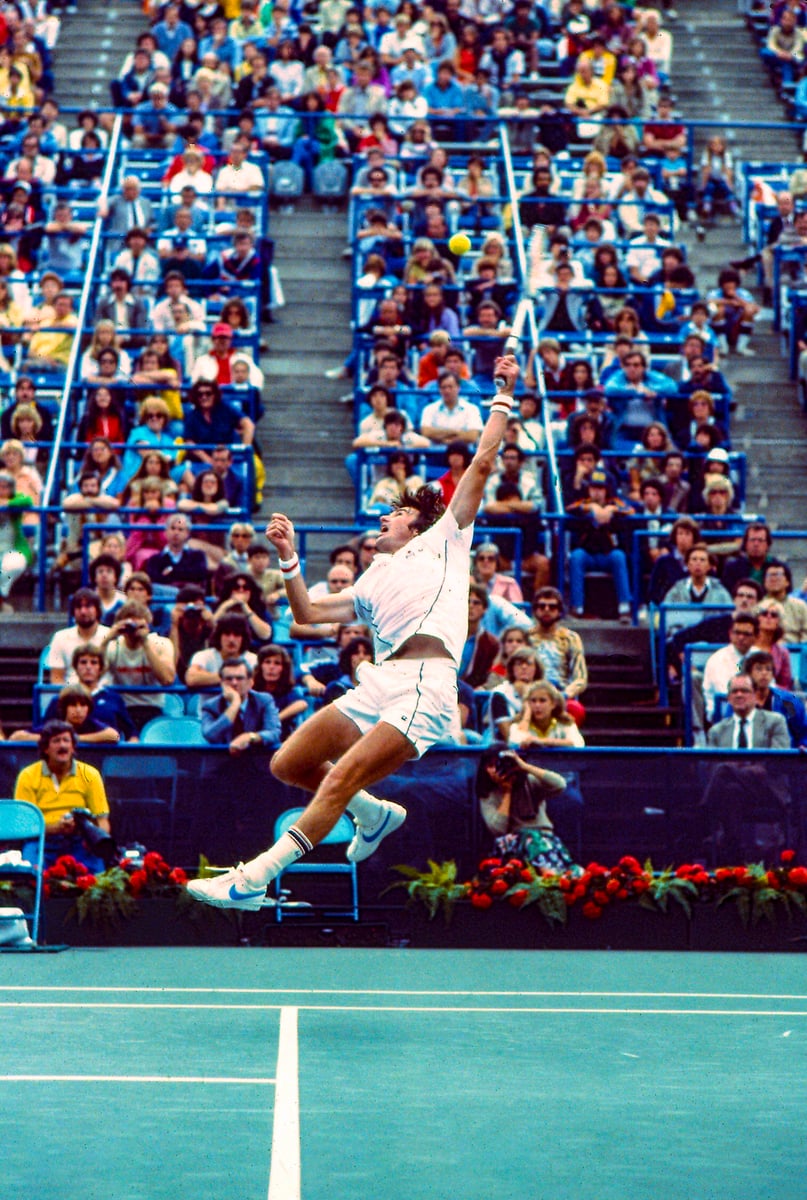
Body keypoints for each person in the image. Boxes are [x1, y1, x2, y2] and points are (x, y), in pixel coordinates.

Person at [187, 353, 524, 910]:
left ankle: (252, 879)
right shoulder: (371, 580)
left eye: (391, 515)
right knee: (289, 763)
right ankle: (373, 813)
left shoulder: (446, 537)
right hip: (379, 683)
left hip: (425, 684)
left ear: (416, 522)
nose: (382, 519)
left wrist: (502, 397)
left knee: (340, 776)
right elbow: (307, 617)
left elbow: (483, 464)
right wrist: (290, 560)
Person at [14, 720, 112, 871]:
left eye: (66, 740)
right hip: (41, 841)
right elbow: (24, 826)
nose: (62, 746)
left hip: (81, 840)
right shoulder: (27, 775)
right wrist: (56, 828)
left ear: (73, 747)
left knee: (98, 878)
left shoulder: (90, 774)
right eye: (56, 741)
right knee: (29, 875)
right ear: (46, 748)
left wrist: (97, 839)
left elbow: (102, 820)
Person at [476, 744, 572, 868]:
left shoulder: (530, 781)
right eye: (490, 766)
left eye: (499, 764)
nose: (495, 769)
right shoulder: (487, 794)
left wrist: (524, 766)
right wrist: (507, 792)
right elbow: (498, 829)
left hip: (542, 840)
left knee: (536, 843)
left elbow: (560, 785)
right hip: (512, 845)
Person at [101, 600, 177, 731]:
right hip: (122, 707)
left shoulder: (161, 644)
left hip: (152, 706)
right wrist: (106, 640)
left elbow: (167, 679)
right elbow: (95, 676)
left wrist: (146, 643)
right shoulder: (114, 647)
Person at [528, 587, 587, 721]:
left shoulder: (571, 638)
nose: (546, 610)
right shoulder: (526, 637)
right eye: (542, 606)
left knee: (576, 710)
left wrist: (565, 695)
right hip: (530, 694)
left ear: (559, 611)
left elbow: (581, 678)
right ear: (535, 610)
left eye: (552, 607)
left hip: (560, 694)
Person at [201, 656, 281, 752]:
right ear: (221, 683)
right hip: (222, 763)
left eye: (239, 678)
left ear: (250, 682)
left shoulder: (264, 700)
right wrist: (235, 704)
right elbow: (210, 735)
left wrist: (249, 737)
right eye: (228, 679)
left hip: (256, 763)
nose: (234, 683)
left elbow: (274, 733)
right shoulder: (210, 706)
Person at [46, 589, 110, 684]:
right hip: (72, 694)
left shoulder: (111, 636)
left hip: (104, 693)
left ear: (97, 610)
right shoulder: (60, 637)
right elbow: (56, 678)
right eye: (79, 607)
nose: (83, 611)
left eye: (88, 606)